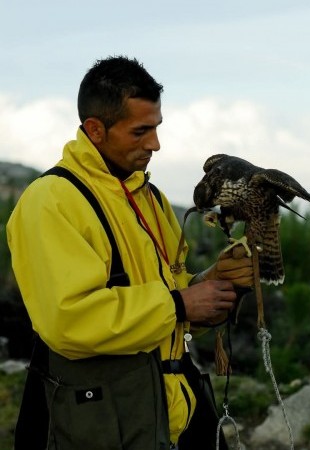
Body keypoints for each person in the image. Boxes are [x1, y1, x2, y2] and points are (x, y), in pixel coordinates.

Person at [7, 55, 253, 450]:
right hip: (97, 424)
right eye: (140, 131)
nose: (154, 143)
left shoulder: (150, 198)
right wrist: (181, 304)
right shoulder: (52, 201)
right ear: (95, 130)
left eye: (156, 128)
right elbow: (69, 320)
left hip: (171, 414)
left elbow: (173, 300)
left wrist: (212, 285)